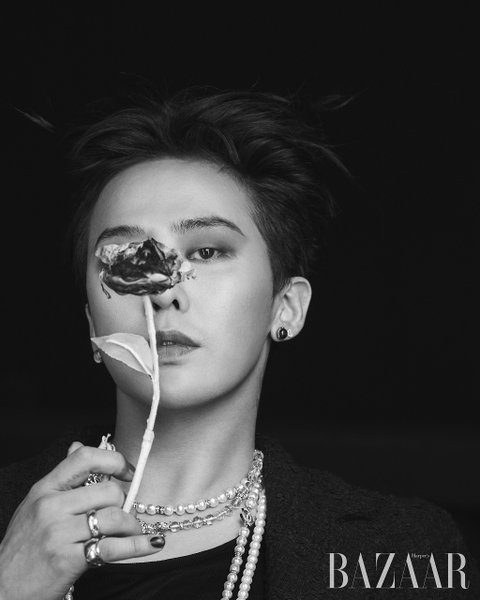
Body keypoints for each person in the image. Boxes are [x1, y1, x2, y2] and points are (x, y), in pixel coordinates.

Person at [0, 86, 478, 600]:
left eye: (206, 251)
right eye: (125, 257)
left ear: (285, 307)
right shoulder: (12, 518)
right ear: (92, 320)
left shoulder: (402, 551)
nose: (162, 291)